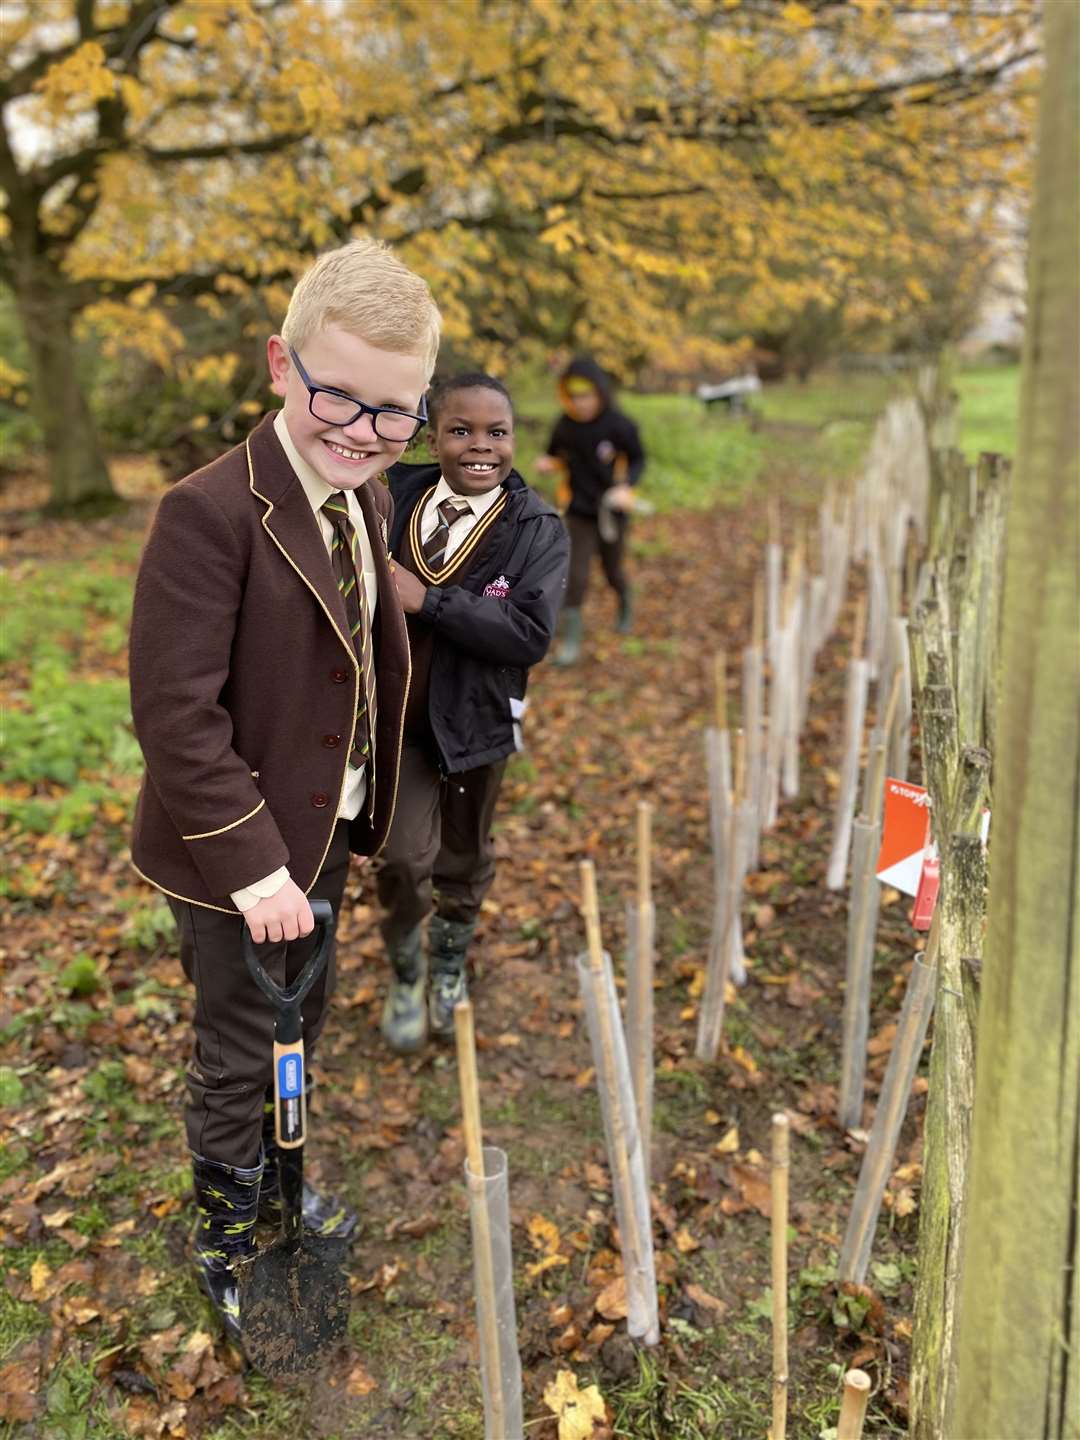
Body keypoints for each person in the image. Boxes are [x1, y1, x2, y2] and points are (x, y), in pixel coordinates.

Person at [128, 238, 441, 1342]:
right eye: (336, 397)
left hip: (322, 835)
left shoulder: (365, 495)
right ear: (280, 365)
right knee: (237, 1038)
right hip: (237, 859)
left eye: (394, 413)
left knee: (301, 1016)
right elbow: (177, 718)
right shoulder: (208, 513)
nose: (360, 430)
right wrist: (257, 868)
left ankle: (279, 1172)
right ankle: (224, 1224)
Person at [378, 372, 569, 1052]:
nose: (479, 446)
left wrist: (428, 601)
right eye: (460, 431)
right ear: (433, 438)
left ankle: (448, 966)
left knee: (464, 854)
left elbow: (528, 634)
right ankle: (404, 968)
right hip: (396, 722)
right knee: (401, 857)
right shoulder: (391, 497)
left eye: (497, 432)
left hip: (480, 722)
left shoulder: (534, 529)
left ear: (515, 439)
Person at [534, 355, 645, 665]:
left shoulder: (619, 425)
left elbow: (637, 459)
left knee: (613, 571)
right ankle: (571, 640)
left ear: (600, 393)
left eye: (586, 396)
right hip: (578, 511)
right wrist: (547, 463)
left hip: (612, 511)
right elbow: (554, 454)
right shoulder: (565, 426)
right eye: (574, 397)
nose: (580, 403)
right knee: (575, 572)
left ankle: (624, 601)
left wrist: (627, 486)